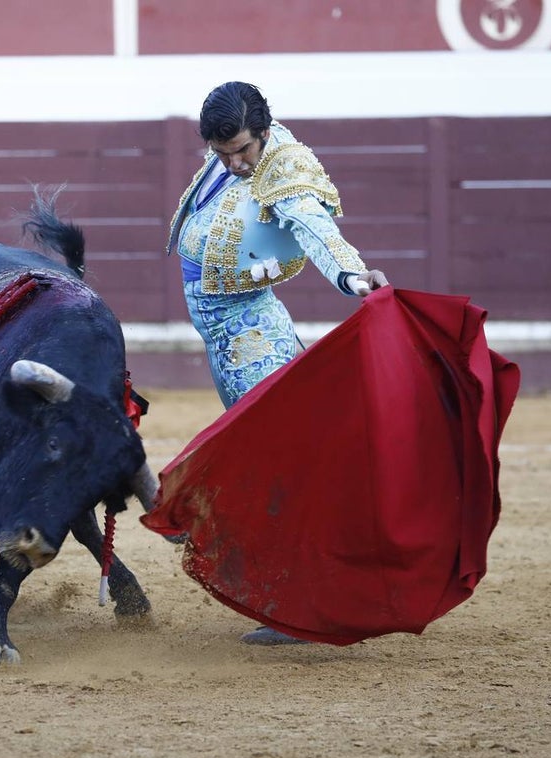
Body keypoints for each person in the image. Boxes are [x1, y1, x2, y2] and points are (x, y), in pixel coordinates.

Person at [166, 81, 390, 646]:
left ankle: (307, 601)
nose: (236, 164)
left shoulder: (285, 169)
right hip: (228, 336)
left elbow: (316, 229)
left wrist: (352, 276)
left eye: (243, 150)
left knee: (276, 471)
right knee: (271, 466)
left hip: (249, 337)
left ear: (265, 130)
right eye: (223, 154)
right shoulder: (232, 157)